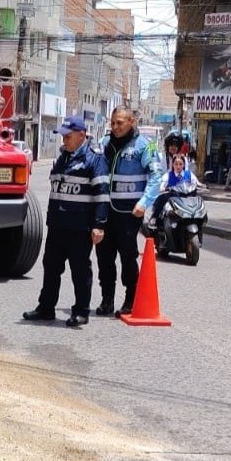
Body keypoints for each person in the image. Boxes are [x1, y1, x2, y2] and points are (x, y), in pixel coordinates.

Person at [23, 116, 109, 328]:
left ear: (82, 135)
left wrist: (99, 225)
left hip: (80, 227)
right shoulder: (62, 158)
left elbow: (102, 196)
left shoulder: (94, 159)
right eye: (63, 136)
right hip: (58, 225)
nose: (64, 140)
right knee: (51, 268)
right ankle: (46, 308)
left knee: (80, 271)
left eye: (68, 136)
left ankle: (81, 312)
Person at [94, 107, 163, 318]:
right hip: (106, 210)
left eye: (120, 123)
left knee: (127, 257)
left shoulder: (145, 146)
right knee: (104, 257)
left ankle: (131, 298)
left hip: (129, 213)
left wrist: (144, 202)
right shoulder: (105, 144)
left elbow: (156, 176)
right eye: (113, 123)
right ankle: (107, 299)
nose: (115, 127)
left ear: (132, 121)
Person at [149, 154, 203, 229]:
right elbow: (162, 184)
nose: (178, 166)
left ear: (183, 165)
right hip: (174, 197)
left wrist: (202, 186)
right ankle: (154, 217)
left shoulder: (189, 174)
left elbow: (197, 183)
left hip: (187, 197)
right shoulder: (168, 175)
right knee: (162, 198)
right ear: (173, 165)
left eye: (180, 164)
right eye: (176, 164)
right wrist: (162, 188)